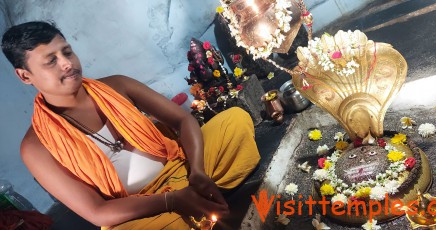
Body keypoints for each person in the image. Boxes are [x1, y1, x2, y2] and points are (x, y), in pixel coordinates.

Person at [1, 21, 261, 229]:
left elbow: (183, 120)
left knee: (234, 121)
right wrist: (171, 200)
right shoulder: (35, 147)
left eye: (67, 52)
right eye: (51, 61)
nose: (67, 63)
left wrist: (198, 172)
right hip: (140, 208)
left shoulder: (117, 85)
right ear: (25, 76)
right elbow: (97, 212)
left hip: (182, 168)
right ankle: (201, 202)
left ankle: (200, 195)